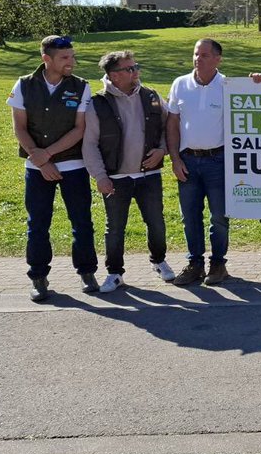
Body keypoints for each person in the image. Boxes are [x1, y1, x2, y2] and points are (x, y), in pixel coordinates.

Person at [8, 34, 98, 302]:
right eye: (65, 58)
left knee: (81, 222)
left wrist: (47, 154)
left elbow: (79, 129)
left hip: (73, 166)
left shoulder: (81, 87)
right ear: (46, 59)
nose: (72, 61)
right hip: (37, 169)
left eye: (72, 56)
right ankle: (38, 277)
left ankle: (86, 272)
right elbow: (19, 127)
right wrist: (42, 162)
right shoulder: (24, 85)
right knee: (37, 224)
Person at [82, 50, 174, 293]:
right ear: (114, 75)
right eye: (130, 69)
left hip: (149, 175)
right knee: (115, 228)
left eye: (136, 67)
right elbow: (89, 143)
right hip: (115, 178)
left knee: (156, 223)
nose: (136, 72)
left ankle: (159, 261)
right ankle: (114, 273)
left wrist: (162, 150)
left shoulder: (152, 96)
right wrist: (100, 176)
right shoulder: (97, 103)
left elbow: (169, 128)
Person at [166, 38, 232, 286]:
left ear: (218, 59)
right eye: (196, 54)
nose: (198, 59)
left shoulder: (228, 85)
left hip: (218, 160)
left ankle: (218, 264)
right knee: (190, 216)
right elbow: (172, 123)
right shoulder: (180, 84)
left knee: (219, 217)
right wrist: (174, 159)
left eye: (204, 55)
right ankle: (195, 264)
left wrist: (257, 81)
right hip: (188, 161)